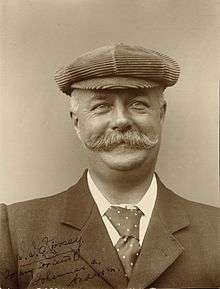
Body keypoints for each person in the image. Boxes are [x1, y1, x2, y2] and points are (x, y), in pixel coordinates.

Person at [0, 44, 219, 289]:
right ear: (76, 121)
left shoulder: (216, 232)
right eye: (101, 106)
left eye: (138, 104)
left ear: (161, 114)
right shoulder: (13, 230)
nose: (121, 120)